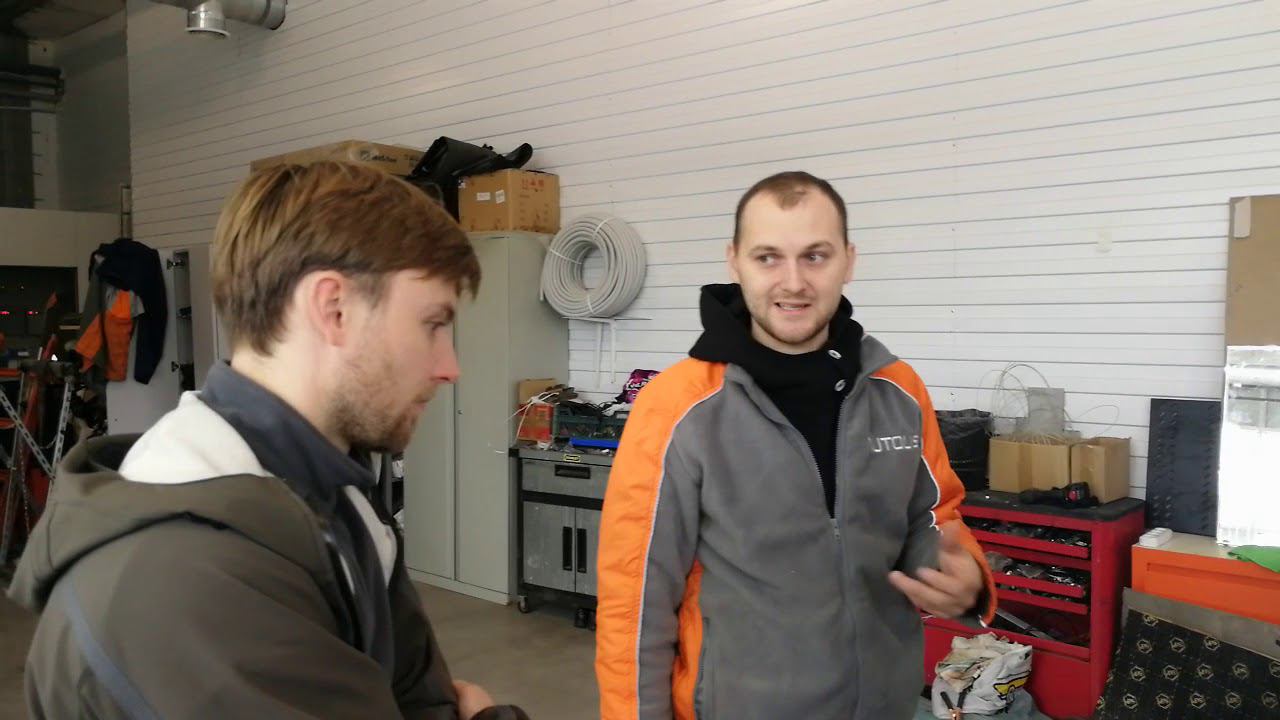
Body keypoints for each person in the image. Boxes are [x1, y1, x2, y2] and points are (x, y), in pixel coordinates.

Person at [8, 162, 528, 720]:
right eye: (432, 324)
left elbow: (418, 694)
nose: (450, 367)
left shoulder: (337, 493)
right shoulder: (193, 580)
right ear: (333, 309)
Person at [594, 171, 996, 719]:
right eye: (768, 258)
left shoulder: (897, 390)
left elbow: (935, 519)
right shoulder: (678, 408)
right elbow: (634, 597)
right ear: (734, 262)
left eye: (815, 256)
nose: (793, 282)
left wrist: (968, 579)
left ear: (848, 261)